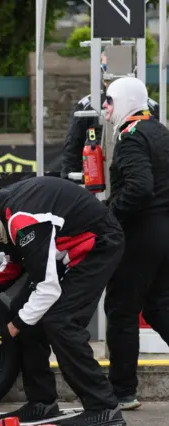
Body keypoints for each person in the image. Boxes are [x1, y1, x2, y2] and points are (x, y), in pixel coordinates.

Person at [0, 177, 127, 426]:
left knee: (61, 322)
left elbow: (47, 288)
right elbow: (14, 261)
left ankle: (104, 408)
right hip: (65, 248)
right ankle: (42, 404)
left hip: (97, 245)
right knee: (21, 312)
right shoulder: (1, 212)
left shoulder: (21, 220)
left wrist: (9, 330)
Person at [101, 77, 169, 411]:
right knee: (158, 306)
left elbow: (140, 188)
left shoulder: (131, 138)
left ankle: (123, 392)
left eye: (109, 101)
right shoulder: (162, 132)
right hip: (164, 234)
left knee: (121, 310)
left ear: (126, 101)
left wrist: (108, 216)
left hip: (140, 235)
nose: (105, 109)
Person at [60, 52, 159, 179]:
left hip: (139, 179)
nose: (106, 106)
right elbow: (72, 151)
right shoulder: (89, 106)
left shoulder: (149, 107)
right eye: (105, 68)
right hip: (99, 179)